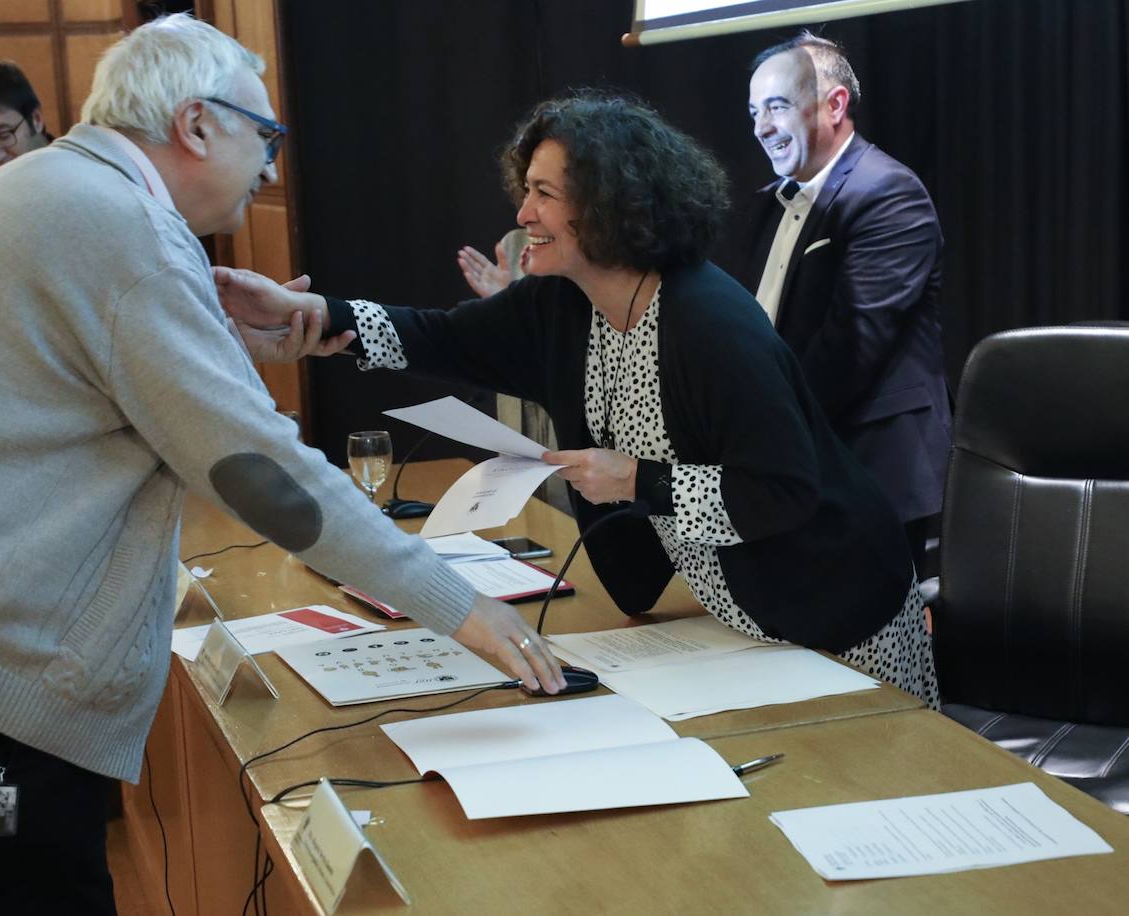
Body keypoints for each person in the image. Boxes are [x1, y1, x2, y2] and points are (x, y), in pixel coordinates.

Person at [0, 15, 562, 915]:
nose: (272, 169)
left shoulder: (63, 187)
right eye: (263, 138)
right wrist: (454, 606)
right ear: (197, 125)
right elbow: (260, 474)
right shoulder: (124, 229)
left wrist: (217, 347)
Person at [218, 92, 939, 710]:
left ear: (609, 204)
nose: (523, 211)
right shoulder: (562, 304)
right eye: (525, 188)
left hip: (840, 613)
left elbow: (783, 492)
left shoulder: (712, 324)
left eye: (545, 193)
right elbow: (435, 336)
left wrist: (634, 479)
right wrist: (303, 315)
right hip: (749, 622)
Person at [739, 32, 951, 564]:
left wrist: (759, 433)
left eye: (778, 107)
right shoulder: (773, 203)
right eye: (754, 111)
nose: (762, 127)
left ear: (835, 105)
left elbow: (851, 347)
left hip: (873, 479)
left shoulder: (887, 193)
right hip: (801, 472)